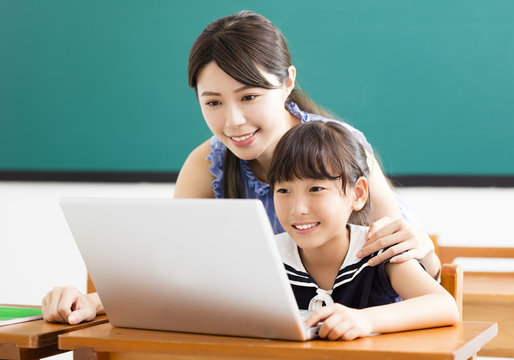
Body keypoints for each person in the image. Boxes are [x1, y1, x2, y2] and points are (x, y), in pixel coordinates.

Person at [42, 10, 440, 325]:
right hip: (263, 339)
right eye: (212, 102)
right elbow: (172, 268)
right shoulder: (206, 164)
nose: (232, 122)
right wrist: (91, 302)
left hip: (366, 335)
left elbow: (421, 265)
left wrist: (422, 250)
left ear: (286, 83)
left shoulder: (337, 150)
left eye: (249, 96)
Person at [267, 121, 459, 340]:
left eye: (316, 189)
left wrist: (367, 320)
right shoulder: (268, 255)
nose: (297, 208)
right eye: (283, 190)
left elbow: (444, 305)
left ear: (357, 194)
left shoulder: (380, 250)